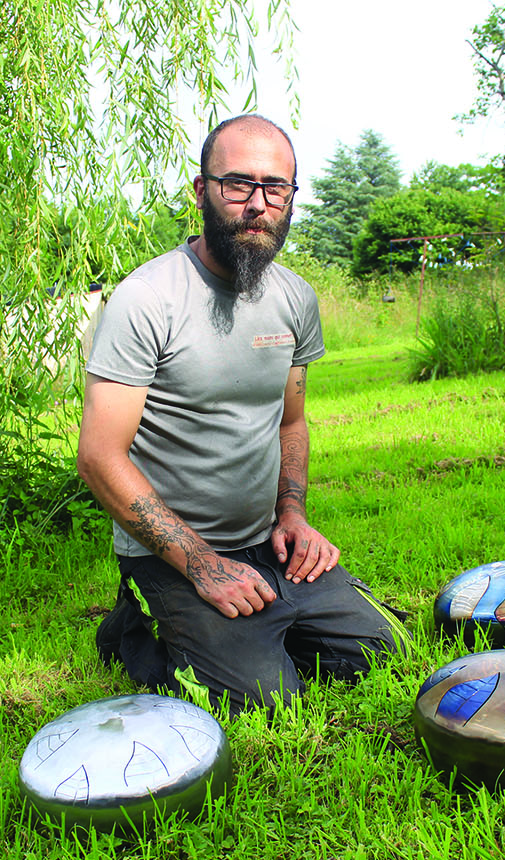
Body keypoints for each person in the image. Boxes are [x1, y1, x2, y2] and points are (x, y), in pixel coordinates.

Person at [76, 114, 399, 713]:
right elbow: (98, 457)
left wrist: (293, 515)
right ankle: (136, 624)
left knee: (384, 652)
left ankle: (258, 622)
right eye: (237, 185)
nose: (258, 204)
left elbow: (290, 423)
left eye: (275, 188)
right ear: (202, 192)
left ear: (291, 198)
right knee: (266, 701)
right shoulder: (147, 299)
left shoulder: (295, 298)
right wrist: (199, 563)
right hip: (169, 552)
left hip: (264, 541)